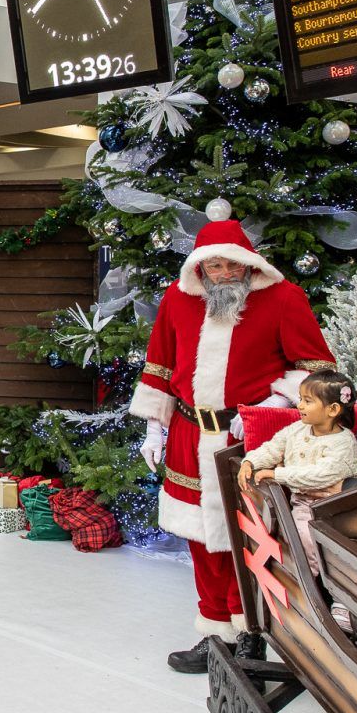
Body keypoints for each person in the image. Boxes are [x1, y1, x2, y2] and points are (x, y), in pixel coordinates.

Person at [128, 219, 335, 674]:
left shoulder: (284, 299)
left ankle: (250, 636)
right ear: (199, 267)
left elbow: (318, 370)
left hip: (249, 437)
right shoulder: (177, 299)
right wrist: (153, 431)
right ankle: (213, 632)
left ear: (249, 264)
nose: (223, 274)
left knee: (248, 533)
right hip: (186, 433)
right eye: (213, 265)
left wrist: (274, 401)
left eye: (232, 265)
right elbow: (160, 366)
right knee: (201, 536)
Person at [238, 370, 357, 579]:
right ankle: (306, 580)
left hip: (337, 506)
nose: (300, 406)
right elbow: (272, 448)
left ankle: (317, 588)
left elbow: (320, 475)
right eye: (300, 399)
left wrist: (278, 474)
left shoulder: (343, 442)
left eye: (307, 401)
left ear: (332, 409)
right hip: (304, 504)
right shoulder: (296, 430)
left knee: (319, 539)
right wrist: (251, 461)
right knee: (298, 533)